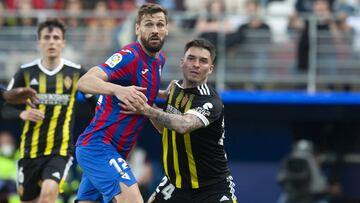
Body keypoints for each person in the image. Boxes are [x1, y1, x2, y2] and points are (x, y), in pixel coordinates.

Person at [75, 3, 168, 203]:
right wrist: (119, 90)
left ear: (166, 29)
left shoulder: (159, 60)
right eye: (148, 24)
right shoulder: (129, 56)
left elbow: (140, 87)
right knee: (134, 200)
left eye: (160, 25)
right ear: (137, 29)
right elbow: (84, 81)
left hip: (115, 151)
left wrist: (161, 93)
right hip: (98, 146)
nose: (155, 30)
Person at [127, 39, 238, 203]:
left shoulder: (211, 101)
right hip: (175, 184)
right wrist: (147, 105)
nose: (196, 64)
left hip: (212, 188)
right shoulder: (174, 89)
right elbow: (164, 128)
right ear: (182, 62)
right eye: (191, 58)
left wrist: (145, 109)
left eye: (203, 61)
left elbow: (183, 125)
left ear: (211, 69)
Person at [2, 18, 96, 203]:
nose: (51, 41)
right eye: (47, 37)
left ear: (63, 42)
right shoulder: (25, 72)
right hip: (29, 151)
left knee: (47, 197)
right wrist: (22, 113)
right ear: (39, 42)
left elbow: (97, 105)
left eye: (56, 37)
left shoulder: (76, 72)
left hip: (59, 152)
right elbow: (6, 106)